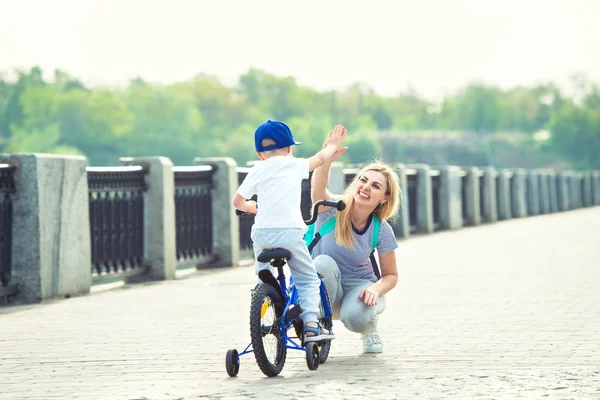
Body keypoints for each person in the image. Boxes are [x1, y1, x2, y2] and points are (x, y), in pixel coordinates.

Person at [232, 119, 347, 342]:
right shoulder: (295, 164)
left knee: (262, 270)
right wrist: (331, 145)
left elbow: (237, 201)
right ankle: (312, 325)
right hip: (291, 233)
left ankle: (264, 292)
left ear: (259, 153)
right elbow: (322, 158)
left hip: (263, 234)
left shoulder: (257, 170)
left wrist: (251, 207)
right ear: (288, 149)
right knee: (307, 279)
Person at [309, 156, 401, 353]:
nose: (366, 187)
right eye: (363, 180)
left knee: (356, 319)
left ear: (384, 198)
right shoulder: (332, 209)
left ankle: (369, 328)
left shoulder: (381, 229)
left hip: (357, 288)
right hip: (323, 286)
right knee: (323, 263)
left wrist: (376, 289)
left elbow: (391, 276)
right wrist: (326, 159)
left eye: (376, 186)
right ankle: (315, 321)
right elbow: (318, 188)